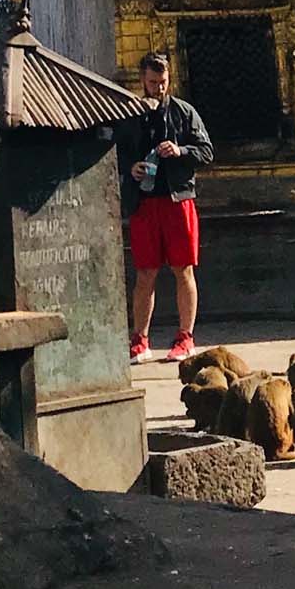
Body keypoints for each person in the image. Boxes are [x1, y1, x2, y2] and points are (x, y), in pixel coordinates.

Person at [118, 47, 213, 362]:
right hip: (144, 203)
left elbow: (206, 152)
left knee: (182, 269)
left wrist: (181, 150)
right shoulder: (132, 116)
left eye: (163, 82)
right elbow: (116, 153)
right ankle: (140, 339)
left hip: (178, 200)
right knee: (145, 272)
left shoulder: (185, 113)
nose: (158, 88)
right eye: (152, 82)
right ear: (142, 80)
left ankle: (185, 337)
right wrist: (129, 168)